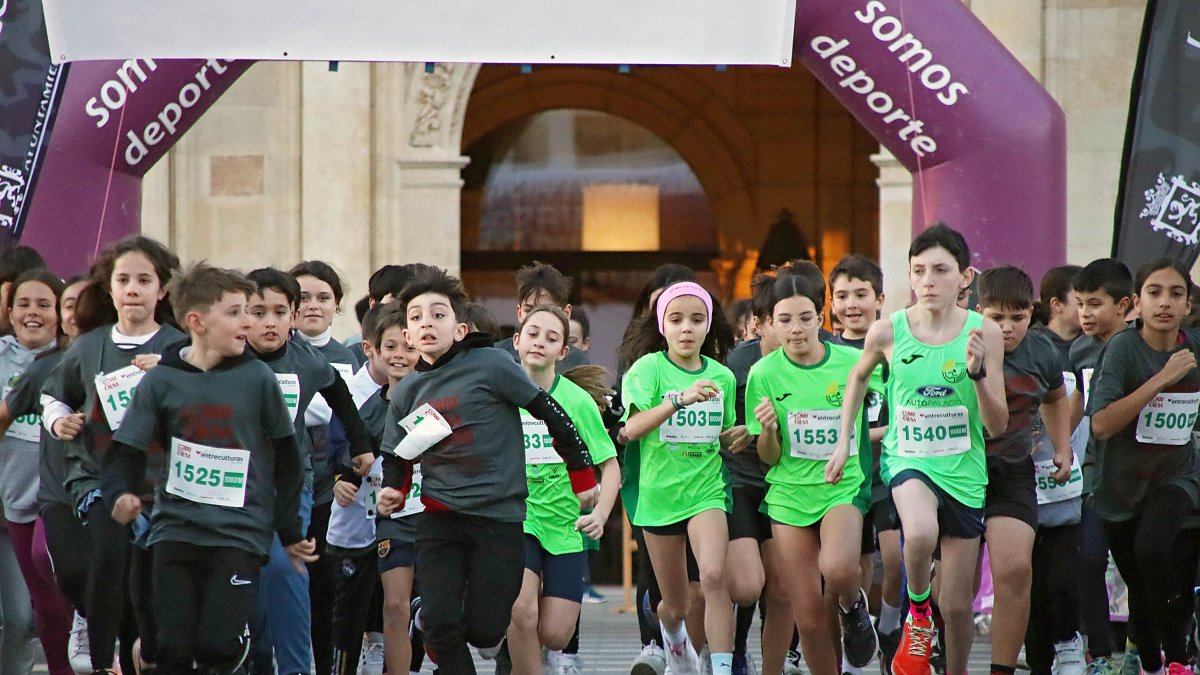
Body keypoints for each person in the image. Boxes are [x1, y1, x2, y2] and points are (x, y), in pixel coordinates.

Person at [375, 266, 598, 675]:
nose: (427, 323)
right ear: (407, 334)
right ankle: (436, 620)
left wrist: (582, 476)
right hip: (440, 518)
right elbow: (397, 454)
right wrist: (393, 489)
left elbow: (550, 412)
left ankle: (445, 618)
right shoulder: (407, 391)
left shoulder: (491, 366)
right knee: (443, 627)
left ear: (460, 329)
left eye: (438, 314)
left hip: (499, 517)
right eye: (417, 317)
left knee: (485, 629)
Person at [98, 263, 314, 675]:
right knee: (173, 651)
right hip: (176, 529)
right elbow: (125, 451)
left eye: (248, 311)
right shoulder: (162, 381)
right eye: (235, 312)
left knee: (216, 647)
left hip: (239, 534)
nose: (248, 322)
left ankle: (240, 648)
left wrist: (288, 529)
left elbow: (288, 459)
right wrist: (121, 494)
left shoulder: (258, 379)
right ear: (196, 322)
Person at [836, 224, 1007, 675]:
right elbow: (856, 378)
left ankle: (956, 667)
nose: (928, 280)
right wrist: (843, 443)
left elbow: (997, 423)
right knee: (920, 532)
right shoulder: (888, 331)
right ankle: (916, 613)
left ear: (964, 276)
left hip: (964, 470)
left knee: (956, 606)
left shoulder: (983, 332)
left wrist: (977, 375)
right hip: (908, 459)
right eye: (918, 271)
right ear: (908, 278)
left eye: (940, 270)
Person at [43, 236, 186, 675]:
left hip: (164, 483)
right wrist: (58, 421)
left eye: (144, 280)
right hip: (99, 476)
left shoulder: (180, 347)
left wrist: (170, 376)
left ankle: (147, 655)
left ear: (162, 290)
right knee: (108, 556)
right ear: (110, 289)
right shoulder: (88, 347)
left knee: (150, 577)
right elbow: (55, 396)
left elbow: (207, 402)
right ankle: (103, 662)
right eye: (123, 280)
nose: (133, 289)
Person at [242, 267, 372, 675]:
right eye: (258, 312)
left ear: (294, 316)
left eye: (280, 312)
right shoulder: (229, 357)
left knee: (286, 567)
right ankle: (258, 659)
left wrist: (361, 446)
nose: (269, 322)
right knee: (251, 577)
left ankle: (297, 668)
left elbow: (341, 394)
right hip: (236, 489)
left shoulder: (306, 360)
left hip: (289, 483)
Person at [747, 272, 877, 675]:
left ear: (821, 316)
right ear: (768, 323)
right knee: (807, 618)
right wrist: (768, 430)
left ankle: (853, 607)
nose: (796, 329)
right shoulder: (763, 374)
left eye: (805, 318)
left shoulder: (853, 362)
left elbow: (895, 398)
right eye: (784, 320)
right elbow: (768, 457)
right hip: (788, 494)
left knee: (838, 568)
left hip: (842, 484)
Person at [621, 280, 747, 675]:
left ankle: (723, 667)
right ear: (663, 327)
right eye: (676, 320)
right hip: (658, 495)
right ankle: (674, 642)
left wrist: (741, 435)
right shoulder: (648, 370)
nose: (686, 328)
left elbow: (725, 436)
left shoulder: (723, 378)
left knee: (713, 576)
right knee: (675, 604)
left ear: (708, 325)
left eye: (696, 319)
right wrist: (678, 399)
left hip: (706, 490)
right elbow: (633, 428)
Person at [1089, 258, 1200, 675]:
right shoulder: (1122, 349)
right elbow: (1100, 425)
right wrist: (1161, 380)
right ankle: (1151, 661)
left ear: (1188, 304)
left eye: (1176, 294)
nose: (1165, 303)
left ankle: (1177, 661)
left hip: (1177, 478)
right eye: (1154, 293)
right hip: (1120, 488)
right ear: (1137, 302)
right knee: (1143, 584)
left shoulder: (1196, 347)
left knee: (1154, 551)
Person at [506, 306, 621, 675]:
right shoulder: (500, 394)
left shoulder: (576, 401)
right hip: (517, 519)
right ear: (517, 341)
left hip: (567, 526)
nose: (540, 342)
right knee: (521, 612)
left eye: (552, 338)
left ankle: (526, 650)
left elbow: (610, 466)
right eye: (533, 334)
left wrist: (600, 514)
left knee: (555, 634)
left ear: (563, 352)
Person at [974, 265, 1073, 675]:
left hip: (1012, 470)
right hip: (955, 471)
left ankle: (1002, 669)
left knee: (1015, 569)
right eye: (997, 318)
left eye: (1018, 317)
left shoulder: (1043, 351)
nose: (1008, 328)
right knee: (951, 588)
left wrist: (1062, 447)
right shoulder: (957, 345)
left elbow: (1055, 397)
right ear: (979, 312)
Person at [328, 304, 419, 675]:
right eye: (391, 348)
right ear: (373, 351)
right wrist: (341, 483)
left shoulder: (435, 404)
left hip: (427, 522)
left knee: (417, 610)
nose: (399, 356)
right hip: (369, 526)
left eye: (407, 347)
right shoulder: (363, 408)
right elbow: (341, 456)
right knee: (368, 612)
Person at [828, 254, 901, 674]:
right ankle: (857, 635)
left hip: (887, 473)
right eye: (842, 295)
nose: (852, 303)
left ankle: (889, 626)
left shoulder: (895, 348)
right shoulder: (827, 351)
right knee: (855, 565)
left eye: (861, 294)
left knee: (893, 559)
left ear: (880, 298)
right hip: (844, 479)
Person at [288, 259, 359, 675]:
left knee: (328, 591)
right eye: (303, 298)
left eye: (323, 298)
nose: (313, 306)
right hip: (286, 487)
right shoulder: (273, 351)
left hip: (336, 494)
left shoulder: (351, 355)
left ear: (337, 305)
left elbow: (356, 421)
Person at [0, 271, 71, 674]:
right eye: (24, 304)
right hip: (10, 502)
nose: (33, 313)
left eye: (44, 304)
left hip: (59, 501)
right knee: (20, 617)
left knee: (57, 596)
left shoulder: (71, 359)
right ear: (9, 313)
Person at [1068, 259, 1133, 675]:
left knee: (1140, 564)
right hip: (1094, 472)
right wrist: (1059, 447)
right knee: (1089, 559)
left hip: (1139, 473)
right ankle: (1100, 653)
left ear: (1125, 305)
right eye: (1079, 304)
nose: (1085, 314)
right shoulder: (1079, 349)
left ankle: (1150, 647)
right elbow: (1075, 403)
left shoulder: (1143, 346)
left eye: (1095, 304)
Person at [494, 261, 589, 371]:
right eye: (529, 310)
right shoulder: (496, 355)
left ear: (566, 313)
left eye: (547, 310)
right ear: (519, 312)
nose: (537, 317)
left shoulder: (577, 361)